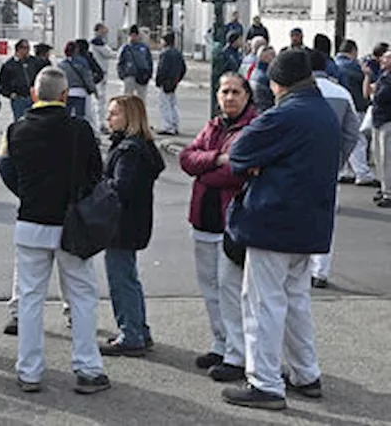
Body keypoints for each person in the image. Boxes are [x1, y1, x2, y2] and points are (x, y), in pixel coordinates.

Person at [221, 48, 338, 410]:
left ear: (278, 84)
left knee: (262, 302)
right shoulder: (324, 112)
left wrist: (259, 164)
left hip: (274, 219)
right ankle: (306, 373)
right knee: (296, 300)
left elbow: (240, 153)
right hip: (309, 222)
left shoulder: (285, 114)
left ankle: (265, 382)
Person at [0, 67, 110, 395]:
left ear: (35, 94)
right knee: (82, 297)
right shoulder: (80, 130)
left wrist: (27, 193)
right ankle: (88, 368)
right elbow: (95, 172)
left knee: (31, 298)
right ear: (64, 96)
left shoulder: (16, 130)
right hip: (72, 223)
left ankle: (30, 371)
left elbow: (7, 170)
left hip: (31, 220)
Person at [179, 73, 258, 375]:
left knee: (230, 289)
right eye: (225, 91)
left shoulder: (252, 127)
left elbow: (238, 172)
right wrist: (216, 159)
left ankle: (237, 355)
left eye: (236, 92)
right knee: (209, 287)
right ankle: (220, 343)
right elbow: (187, 159)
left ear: (247, 95)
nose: (230, 97)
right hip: (203, 218)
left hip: (232, 222)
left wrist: (205, 168)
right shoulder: (213, 125)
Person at [100, 95, 165, 357]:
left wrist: (98, 185)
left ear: (129, 117)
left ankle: (131, 333)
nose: (109, 118)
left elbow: (121, 187)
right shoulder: (140, 146)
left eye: (114, 113)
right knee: (128, 277)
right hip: (134, 222)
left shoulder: (130, 150)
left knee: (121, 278)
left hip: (123, 224)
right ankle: (138, 328)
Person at [308, 48, 363, 289]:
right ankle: (320, 271)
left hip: (297, 165)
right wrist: (340, 159)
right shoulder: (341, 93)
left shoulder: (295, 93)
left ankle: (299, 267)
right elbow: (352, 132)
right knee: (325, 217)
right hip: (329, 166)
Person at [335, 40, 378, 187]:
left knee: (343, 139)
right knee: (358, 139)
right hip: (355, 105)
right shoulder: (354, 66)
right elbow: (366, 80)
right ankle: (362, 173)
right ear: (353, 50)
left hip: (338, 105)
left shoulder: (335, 64)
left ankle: (345, 171)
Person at [0, 39, 41, 120]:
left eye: (28, 48)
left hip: (32, 96)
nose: (27, 51)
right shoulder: (9, 65)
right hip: (19, 98)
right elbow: (1, 83)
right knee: (20, 120)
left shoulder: (33, 62)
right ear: (18, 49)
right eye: (25, 48)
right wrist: (9, 94)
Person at [155, 32, 187, 135]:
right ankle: (175, 125)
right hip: (174, 81)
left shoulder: (165, 53)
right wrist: (178, 79)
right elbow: (183, 68)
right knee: (173, 104)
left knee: (165, 105)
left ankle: (168, 126)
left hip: (166, 82)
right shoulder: (178, 53)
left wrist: (159, 80)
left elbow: (162, 69)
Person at [371, 50, 391, 208]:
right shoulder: (383, 76)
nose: (383, 60)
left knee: (387, 158)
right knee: (378, 155)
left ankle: (388, 192)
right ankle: (383, 187)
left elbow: (380, 95)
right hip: (378, 119)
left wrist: (376, 90)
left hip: (387, 120)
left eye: (387, 58)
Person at [58, 41, 95, 119]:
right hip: (80, 92)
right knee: (79, 116)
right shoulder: (82, 62)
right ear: (76, 50)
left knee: (67, 116)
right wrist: (93, 89)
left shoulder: (61, 64)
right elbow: (87, 77)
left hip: (67, 92)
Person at [90, 24, 115, 130]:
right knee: (100, 99)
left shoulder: (100, 42)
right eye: (103, 30)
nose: (106, 32)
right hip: (100, 72)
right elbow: (109, 53)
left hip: (100, 72)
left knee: (100, 99)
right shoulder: (97, 42)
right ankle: (100, 123)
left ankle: (99, 122)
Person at [118, 25, 153, 101]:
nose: (133, 37)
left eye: (135, 35)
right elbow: (120, 62)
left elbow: (149, 61)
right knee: (127, 98)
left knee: (141, 99)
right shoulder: (125, 48)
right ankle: (128, 112)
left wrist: (149, 74)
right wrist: (122, 74)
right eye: (131, 35)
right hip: (129, 75)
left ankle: (140, 112)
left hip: (142, 75)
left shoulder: (144, 47)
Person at [250, 45, 276, 111]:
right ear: (265, 58)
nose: (275, 58)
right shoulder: (266, 76)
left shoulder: (254, 72)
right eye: (273, 55)